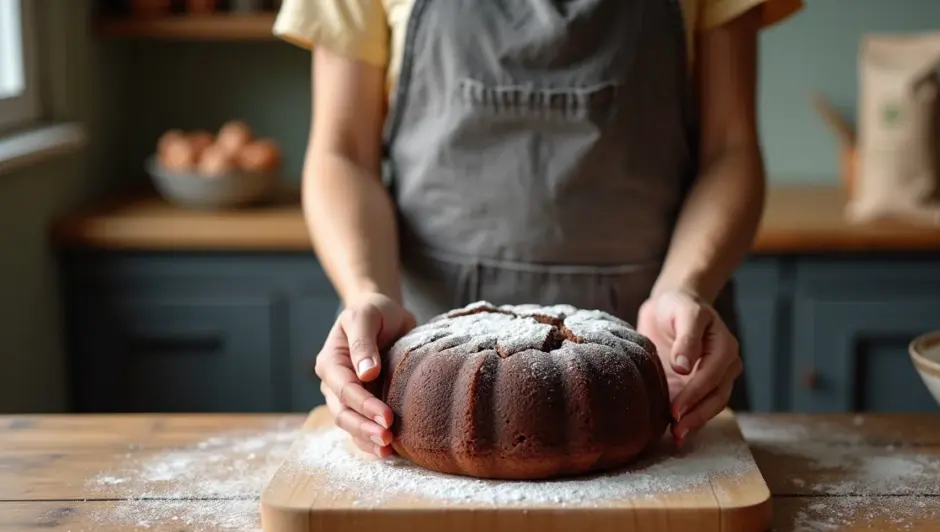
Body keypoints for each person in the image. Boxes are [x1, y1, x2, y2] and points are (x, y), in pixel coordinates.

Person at [275, 0, 802, 457]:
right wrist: (367, 290)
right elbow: (344, 151)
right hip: (425, 350)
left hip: (658, 350)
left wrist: (686, 287)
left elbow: (730, 148)